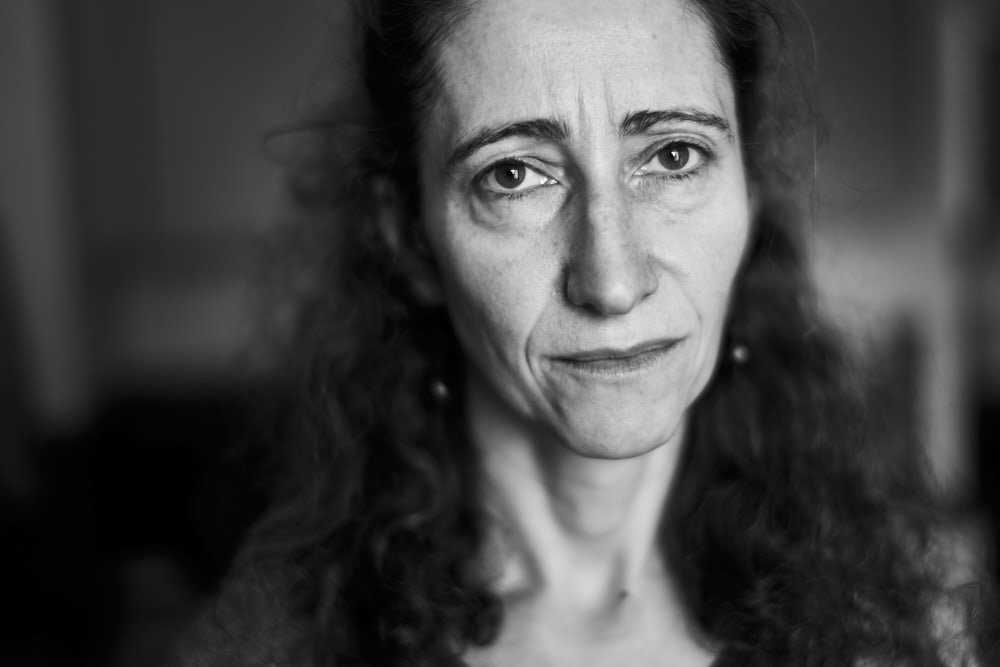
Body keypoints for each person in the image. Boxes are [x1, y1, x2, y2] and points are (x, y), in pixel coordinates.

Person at [173, 0, 997, 664]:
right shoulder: (280, 649)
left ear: (751, 190)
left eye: (673, 156)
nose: (612, 281)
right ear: (410, 240)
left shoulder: (904, 620)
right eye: (513, 174)